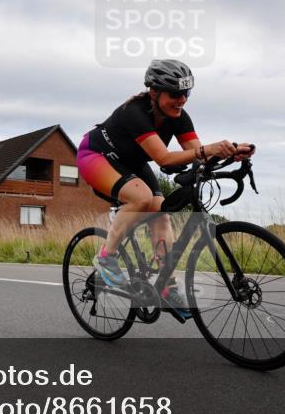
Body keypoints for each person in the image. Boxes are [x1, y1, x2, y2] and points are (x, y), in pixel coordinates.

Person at [77, 59, 255, 316]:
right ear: (154, 92)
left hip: (132, 163)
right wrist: (209, 149)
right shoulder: (134, 113)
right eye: (175, 94)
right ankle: (106, 258)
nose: (182, 100)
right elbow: (163, 159)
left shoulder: (179, 117)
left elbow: (197, 154)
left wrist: (230, 153)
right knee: (141, 198)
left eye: (186, 93)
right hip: (96, 156)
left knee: (161, 210)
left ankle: (166, 286)